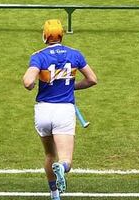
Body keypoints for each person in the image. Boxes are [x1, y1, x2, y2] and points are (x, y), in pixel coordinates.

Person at [23, 19, 98, 199]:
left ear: (45, 36)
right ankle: (62, 168)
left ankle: (54, 193)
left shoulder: (38, 56)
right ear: (61, 35)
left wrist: (32, 85)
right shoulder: (75, 55)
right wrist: (72, 87)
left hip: (43, 111)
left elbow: (28, 82)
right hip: (64, 111)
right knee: (66, 160)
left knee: (50, 154)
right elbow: (92, 79)